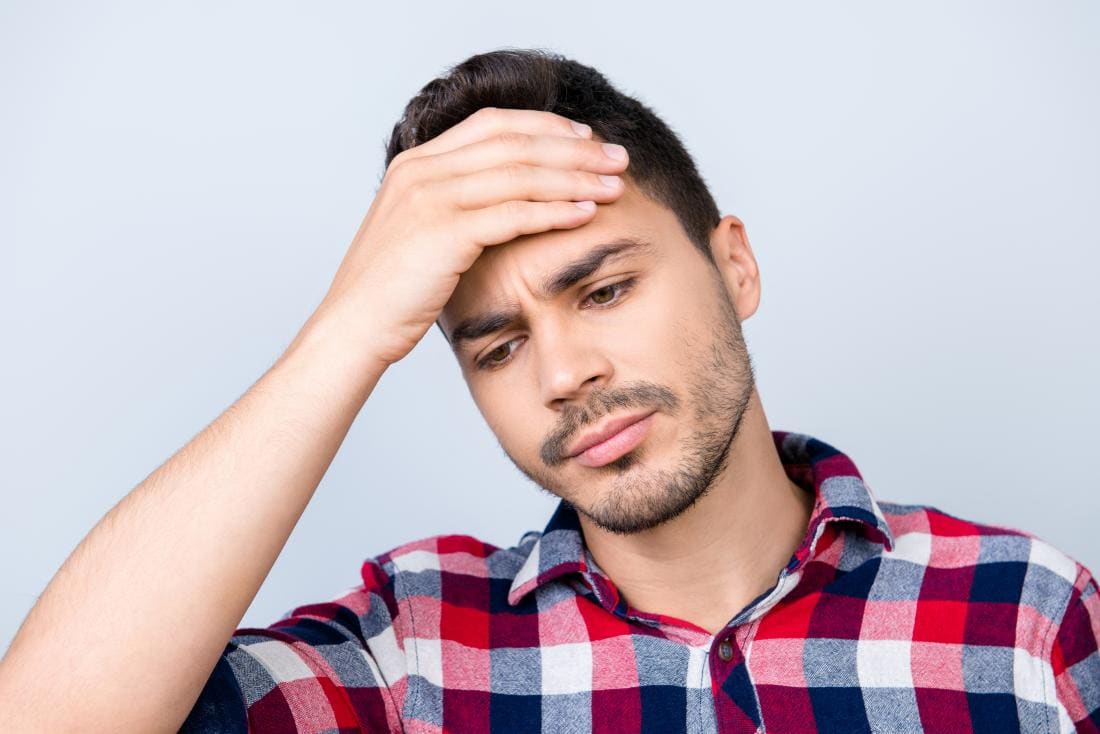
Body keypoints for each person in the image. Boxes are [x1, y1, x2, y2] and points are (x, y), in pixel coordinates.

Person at [0, 47, 1096, 734]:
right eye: (495, 347)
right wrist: (345, 333)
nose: (564, 373)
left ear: (733, 266)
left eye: (605, 288)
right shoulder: (412, 650)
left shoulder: (1023, 616)